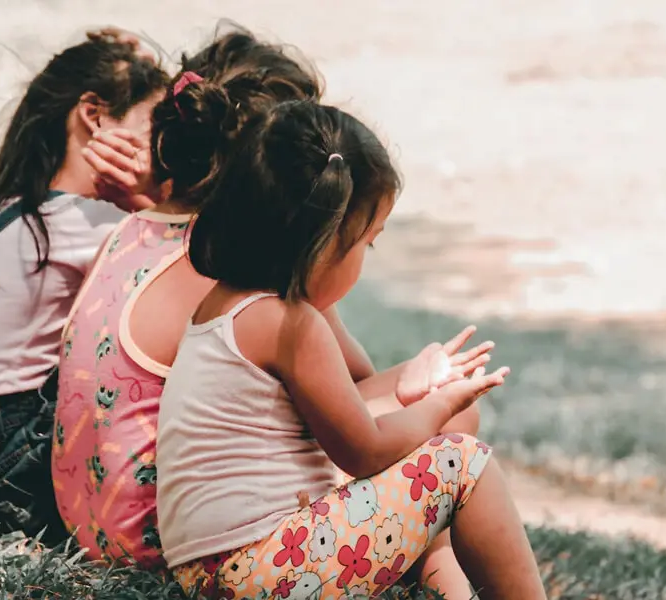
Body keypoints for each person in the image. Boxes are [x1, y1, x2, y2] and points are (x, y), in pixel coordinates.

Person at [58, 26, 490, 594]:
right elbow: (349, 417)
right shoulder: (238, 269)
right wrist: (431, 402)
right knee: (453, 427)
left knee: (430, 420)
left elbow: (341, 387)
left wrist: (412, 383)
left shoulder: (134, 230)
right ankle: (443, 584)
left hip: (96, 522)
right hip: (168, 540)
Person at [156, 100, 548, 599]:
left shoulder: (227, 305)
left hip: (213, 573)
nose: (365, 258)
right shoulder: (291, 324)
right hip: (263, 570)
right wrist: (440, 404)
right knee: (461, 464)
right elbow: (365, 450)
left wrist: (413, 386)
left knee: (439, 446)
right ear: (322, 243)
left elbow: (346, 409)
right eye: (367, 243)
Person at [0, 29, 168, 543]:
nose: (160, 149)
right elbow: (200, 275)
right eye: (153, 126)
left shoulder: (8, 209)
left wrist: (135, 67)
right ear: (94, 115)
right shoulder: (85, 224)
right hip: (7, 486)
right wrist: (150, 200)